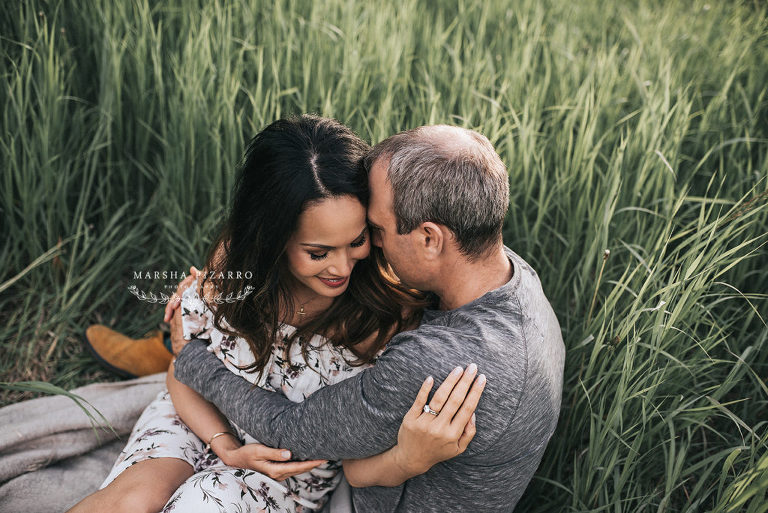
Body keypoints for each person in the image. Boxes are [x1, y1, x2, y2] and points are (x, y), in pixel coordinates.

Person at [68, 116, 484, 513]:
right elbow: (184, 370)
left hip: (283, 475)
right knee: (131, 499)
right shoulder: (236, 271)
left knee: (203, 499)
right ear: (274, 240)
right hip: (203, 419)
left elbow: (364, 455)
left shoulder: (380, 316)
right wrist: (224, 445)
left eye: (357, 240)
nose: (341, 267)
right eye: (318, 253)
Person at [172, 125, 566, 512]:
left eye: (375, 229)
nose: (372, 244)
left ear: (430, 238)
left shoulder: (432, 361)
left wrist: (189, 357)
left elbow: (288, 432)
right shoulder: (515, 276)